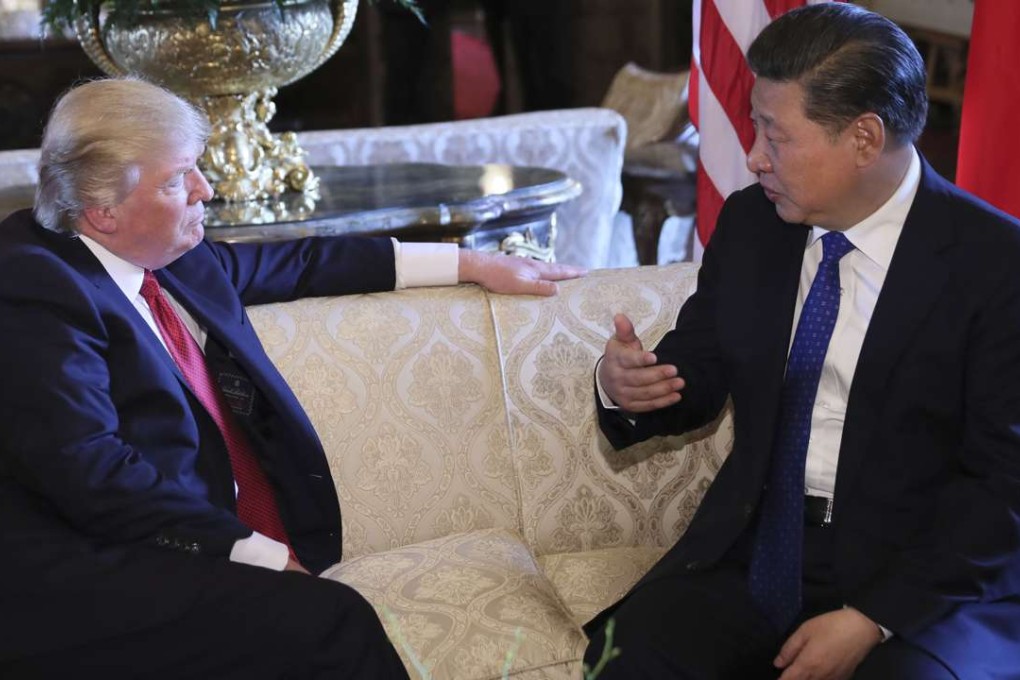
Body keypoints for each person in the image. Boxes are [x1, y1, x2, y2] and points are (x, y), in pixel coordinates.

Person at [0, 76, 584, 677]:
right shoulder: (33, 285)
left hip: (181, 548)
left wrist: (474, 262)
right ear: (103, 210)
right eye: (178, 180)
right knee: (331, 621)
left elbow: (303, 262)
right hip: (87, 568)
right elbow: (93, 472)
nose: (206, 189)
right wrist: (258, 554)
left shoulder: (169, 255)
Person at [585, 4, 1020, 679]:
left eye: (776, 136)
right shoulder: (755, 224)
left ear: (865, 139)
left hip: (926, 580)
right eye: (753, 127)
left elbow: (1005, 488)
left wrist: (873, 617)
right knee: (630, 655)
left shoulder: (996, 264)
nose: (754, 158)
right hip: (761, 552)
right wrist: (630, 387)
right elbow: (698, 366)